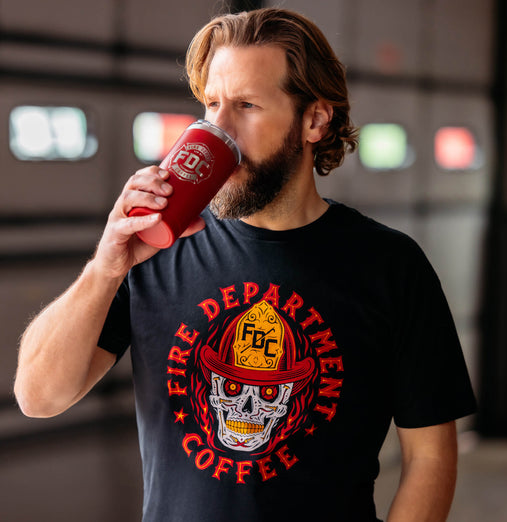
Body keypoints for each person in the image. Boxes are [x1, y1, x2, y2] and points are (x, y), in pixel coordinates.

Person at [14, 7, 476, 522]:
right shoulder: (152, 250)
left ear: (314, 120)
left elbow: (431, 456)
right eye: (211, 104)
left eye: (247, 105)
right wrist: (105, 267)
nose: (220, 130)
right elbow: (38, 396)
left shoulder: (391, 265)